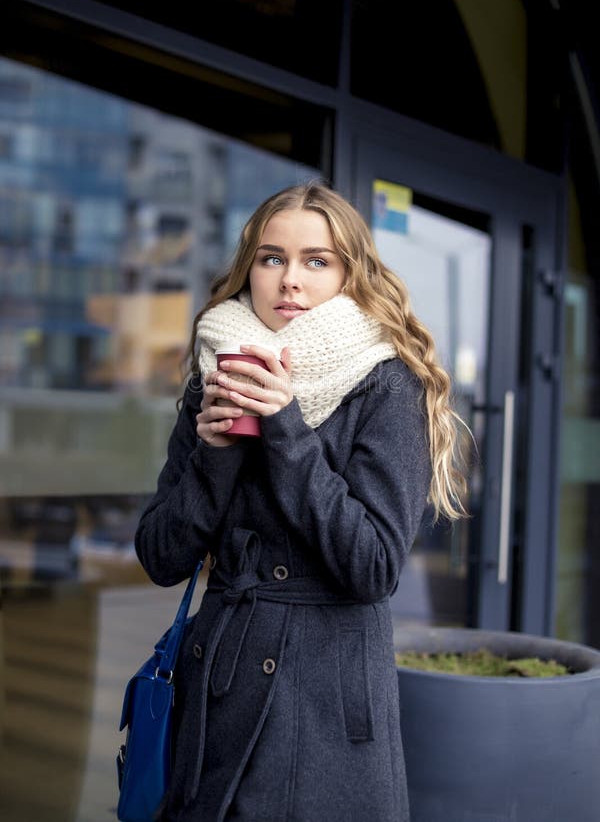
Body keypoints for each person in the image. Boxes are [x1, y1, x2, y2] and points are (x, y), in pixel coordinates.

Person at [134, 180, 468, 822]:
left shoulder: (387, 381)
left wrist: (283, 426)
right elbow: (160, 557)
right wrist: (215, 454)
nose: (291, 279)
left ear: (351, 273)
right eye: (271, 257)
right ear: (249, 270)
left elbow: (373, 568)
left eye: (317, 260)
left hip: (319, 712)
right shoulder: (219, 373)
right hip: (217, 692)